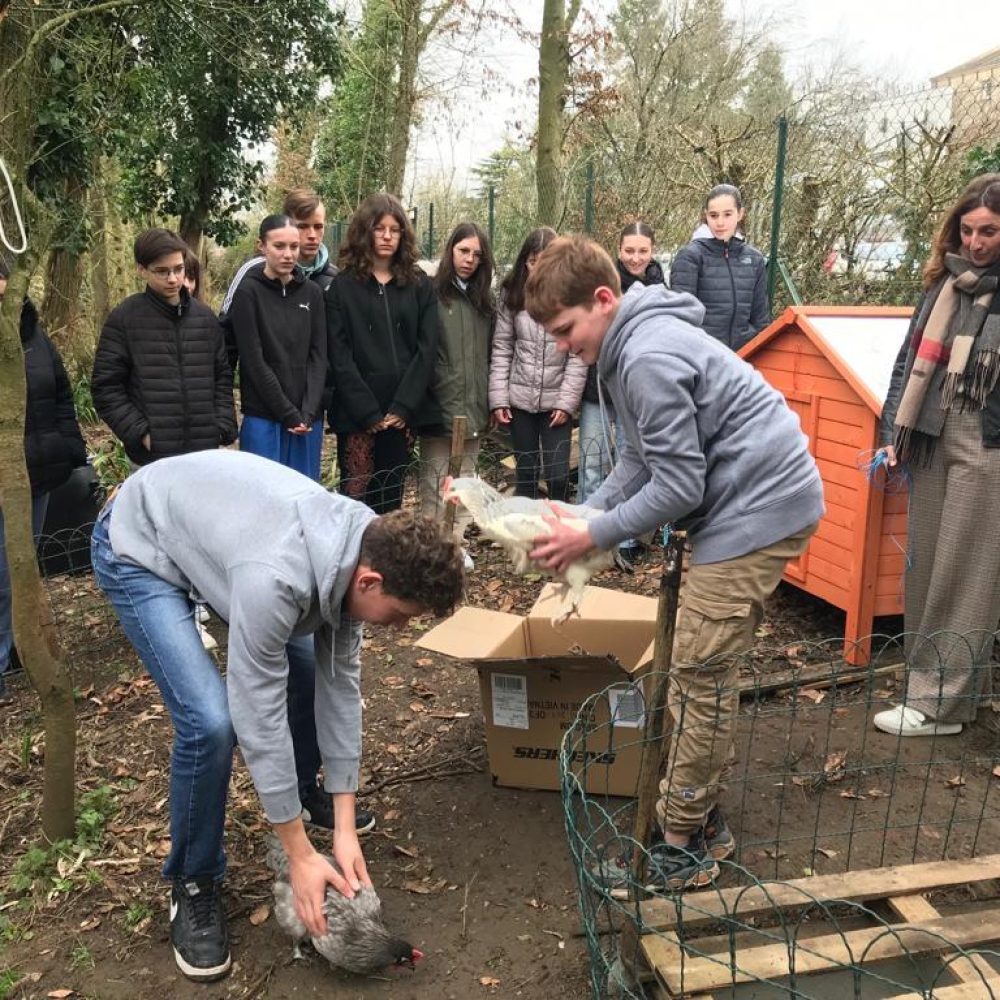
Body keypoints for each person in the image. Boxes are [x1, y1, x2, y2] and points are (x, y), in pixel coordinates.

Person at [91, 449, 463, 982]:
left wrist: (341, 828)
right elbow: (256, 712)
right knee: (210, 723)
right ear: (369, 582)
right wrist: (298, 855)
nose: (400, 630)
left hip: (218, 536)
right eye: (401, 616)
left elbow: (340, 691)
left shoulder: (364, 542)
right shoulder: (277, 579)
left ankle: (304, 797)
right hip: (141, 541)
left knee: (310, 672)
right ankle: (194, 881)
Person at [525, 236, 823, 891]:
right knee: (696, 668)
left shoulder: (648, 354)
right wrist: (587, 514)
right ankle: (697, 809)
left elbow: (679, 485)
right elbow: (639, 460)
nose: (561, 345)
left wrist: (592, 535)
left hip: (758, 508)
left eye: (566, 329)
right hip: (737, 501)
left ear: (604, 300)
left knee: (699, 671)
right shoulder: (628, 344)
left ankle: (684, 842)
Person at [873, 173, 1000, 738]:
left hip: (986, 444)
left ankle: (938, 706)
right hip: (928, 436)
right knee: (924, 564)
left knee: (968, 571)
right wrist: (888, 430)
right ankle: (945, 693)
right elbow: (908, 361)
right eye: (968, 230)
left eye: (990, 231)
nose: (976, 243)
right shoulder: (941, 285)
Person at [0, 262, 88, 703]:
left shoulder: (35, 338)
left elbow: (61, 395)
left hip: (39, 471)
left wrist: (70, 447)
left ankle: (19, 649)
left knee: (21, 568)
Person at [326, 193, 438, 514]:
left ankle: (387, 564)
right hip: (358, 414)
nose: (387, 236)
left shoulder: (418, 285)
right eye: (379, 228)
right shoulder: (342, 288)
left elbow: (426, 348)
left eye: (395, 229)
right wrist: (366, 412)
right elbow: (339, 354)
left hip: (401, 414)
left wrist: (404, 405)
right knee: (355, 500)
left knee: (391, 499)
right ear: (365, 231)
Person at [92, 228, 237, 466]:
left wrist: (221, 426)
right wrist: (142, 434)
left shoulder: (206, 318)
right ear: (141, 269)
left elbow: (221, 376)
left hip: (204, 454)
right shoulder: (125, 319)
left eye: (178, 269)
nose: (172, 279)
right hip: (150, 459)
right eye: (162, 271)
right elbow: (106, 387)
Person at [578, 221, 667, 563]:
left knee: (633, 464)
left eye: (642, 250)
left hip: (637, 394)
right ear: (618, 250)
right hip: (598, 389)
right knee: (592, 462)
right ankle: (587, 535)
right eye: (629, 250)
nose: (635, 257)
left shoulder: (661, 287)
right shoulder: (603, 285)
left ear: (652, 251)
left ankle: (627, 539)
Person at [488, 227, 586, 504]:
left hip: (557, 403)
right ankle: (527, 541)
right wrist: (499, 399)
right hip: (520, 401)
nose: (539, 268)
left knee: (557, 476)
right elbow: (502, 347)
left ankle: (560, 535)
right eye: (533, 261)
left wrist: (566, 403)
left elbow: (578, 354)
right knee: (526, 476)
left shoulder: (572, 296)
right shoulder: (512, 295)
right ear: (525, 262)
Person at [418, 223, 495, 569]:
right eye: (464, 251)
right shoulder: (431, 293)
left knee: (465, 483)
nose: (470, 260)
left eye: (477, 255)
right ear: (451, 250)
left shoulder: (484, 302)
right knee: (436, 482)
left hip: (475, 404)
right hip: (439, 404)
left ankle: (456, 545)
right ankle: (432, 549)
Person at [227, 214, 327, 480]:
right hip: (265, 417)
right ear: (262, 246)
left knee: (304, 498)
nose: (288, 254)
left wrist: (307, 413)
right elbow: (253, 360)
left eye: (293, 247)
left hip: (307, 420)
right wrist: (287, 414)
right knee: (263, 500)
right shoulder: (248, 292)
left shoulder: (313, 293)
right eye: (279, 246)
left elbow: (319, 356)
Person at [220, 188, 338, 370]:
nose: (312, 235)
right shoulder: (253, 272)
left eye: (318, 226)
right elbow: (228, 334)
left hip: (319, 394)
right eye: (303, 226)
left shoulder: (334, 278)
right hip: (266, 389)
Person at [669, 183, 770, 352]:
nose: (720, 222)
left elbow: (761, 320)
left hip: (744, 360)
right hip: (704, 359)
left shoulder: (754, 259)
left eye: (727, 214)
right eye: (714, 215)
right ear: (705, 216)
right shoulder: (690, 257)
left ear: (740, 214)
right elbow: (682, 319)